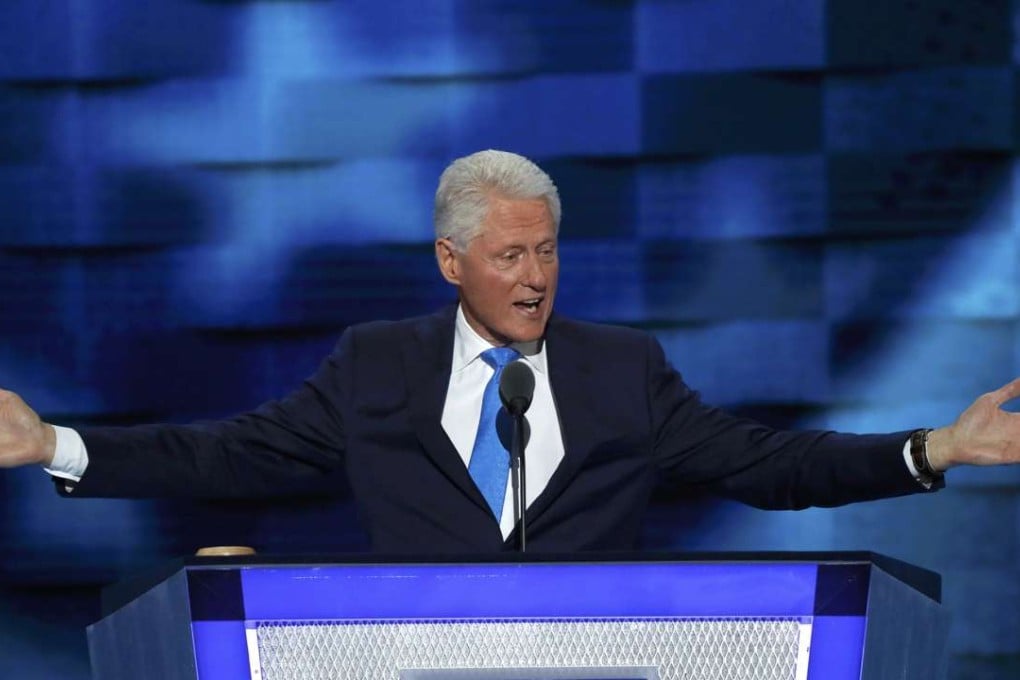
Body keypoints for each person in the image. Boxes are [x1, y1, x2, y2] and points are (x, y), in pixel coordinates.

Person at [1, 149, 1019, 553]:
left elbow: (770, 463)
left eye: (546, 250)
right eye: (506, 255)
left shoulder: (622, 367)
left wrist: (930, 447)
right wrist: (55, 441)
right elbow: (220, 455)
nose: (534, 276)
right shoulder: (377, 363)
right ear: (450, 260)